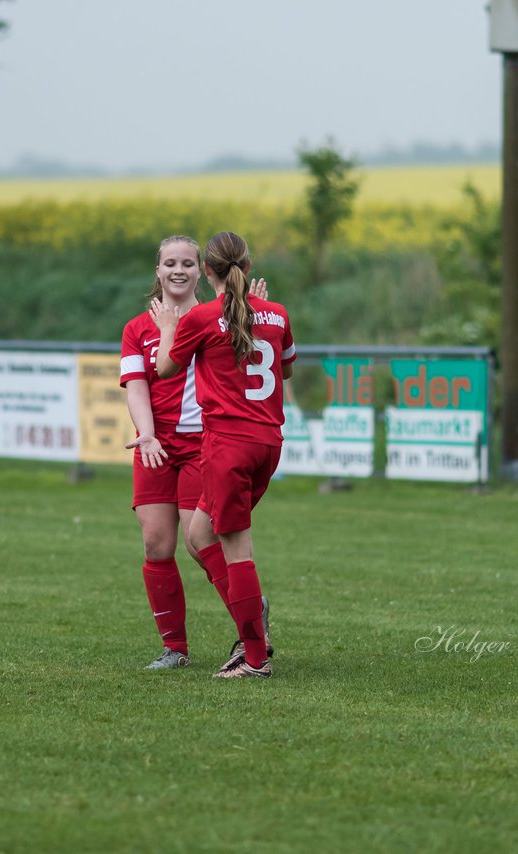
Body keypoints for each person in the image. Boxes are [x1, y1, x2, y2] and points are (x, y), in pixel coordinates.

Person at [119, 235, 270, 670]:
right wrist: (146, 434)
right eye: (170, 263)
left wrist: (258, 315)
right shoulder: (137, 328)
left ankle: (251, 629)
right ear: (158, 270)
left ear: (202, 270)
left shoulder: (216, 317)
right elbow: (137, 385)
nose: (178, 270)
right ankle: (175, 649)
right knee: (156, 544)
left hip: (205, 442)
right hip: (155, 443)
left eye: (187, 262)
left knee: (199, 541)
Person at [153, 231, 295, 679]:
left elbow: (166, 369)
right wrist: (257, 311)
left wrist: (169, 329)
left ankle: (254, 658)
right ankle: (252, 622)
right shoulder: (277, 314)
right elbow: (284, 366)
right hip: (267, 443)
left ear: (207, 271)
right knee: (198, 536)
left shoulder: (201, 318)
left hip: (228, 447)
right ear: (247, 268)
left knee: (237, 551)